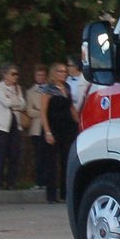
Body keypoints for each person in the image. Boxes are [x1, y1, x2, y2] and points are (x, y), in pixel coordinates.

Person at [40, 62, 79, 204]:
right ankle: (51, 195)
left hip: (68, 128)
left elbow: (71, 108)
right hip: (54, 127)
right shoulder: (48, 90)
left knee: (66, 160)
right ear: (54, 73)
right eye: (60, 71)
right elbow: (43, 112)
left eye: (65, 71)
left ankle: (65, 193)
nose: (63, 74)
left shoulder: (67, 88)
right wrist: (47, 131)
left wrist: (79, 123)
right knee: (52, 162)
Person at [0, 64, 27, 190]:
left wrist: (13, 100)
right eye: (12, 74)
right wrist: (14, 102)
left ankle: (11, 182)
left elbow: (22, 105)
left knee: (14, 154)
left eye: (17, 74)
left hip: (15, 124)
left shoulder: (18, 88)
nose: (15, 77)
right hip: (1, 125)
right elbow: (6, 103)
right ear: (5, 75)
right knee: (1, 153)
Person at [26, 64, 50, 191]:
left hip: (48, 127)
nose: (40, 77)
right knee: (38, 155)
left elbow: (50, 109)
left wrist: (39, 110)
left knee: (48, 155)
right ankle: (39, 181)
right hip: (36, 128)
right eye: (38, 75)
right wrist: (42, 111)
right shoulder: (30, 92)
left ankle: (48, 181)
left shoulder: (50, 90)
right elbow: (29, 111)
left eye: (42, 75)